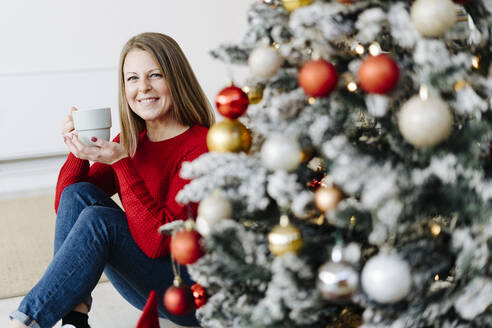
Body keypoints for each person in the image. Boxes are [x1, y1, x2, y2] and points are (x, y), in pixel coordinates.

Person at [8, 32, 214, 328]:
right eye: (132, 78)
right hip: (148, 288)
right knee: (82, 195)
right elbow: (69, 202)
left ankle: (24, 322)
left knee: (100, 220)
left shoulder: (201, 145)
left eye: (155, 75)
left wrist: (121, 164)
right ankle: (75, 318)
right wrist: (78, 150)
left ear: (176, 79)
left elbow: (159, 243)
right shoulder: (133, 141)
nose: (143, 88)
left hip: (188, 292)